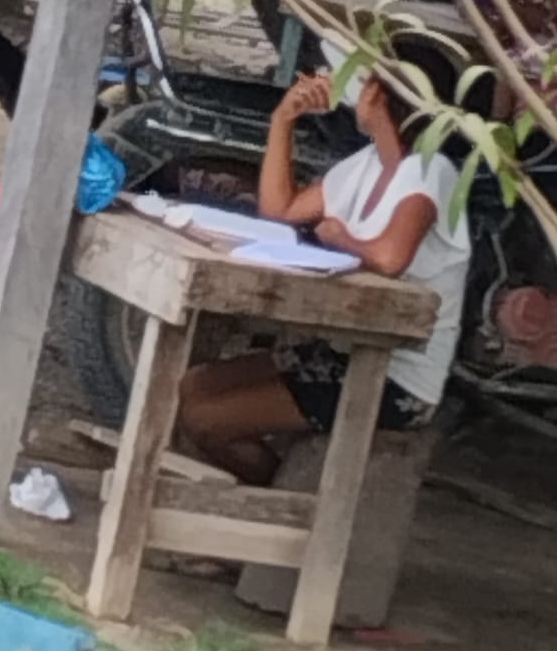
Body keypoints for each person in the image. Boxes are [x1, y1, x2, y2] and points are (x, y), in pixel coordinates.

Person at [178, 38, 470, 486]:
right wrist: (283, 120)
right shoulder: (366, 164)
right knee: (194, 386)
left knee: (206, 419)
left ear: (377, 95)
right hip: (342, 352)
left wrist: (341, 237)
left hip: (398, 378)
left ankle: (275, 502)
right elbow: (280, 212)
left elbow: (390, 258)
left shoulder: (431, 170)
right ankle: (266, 495)